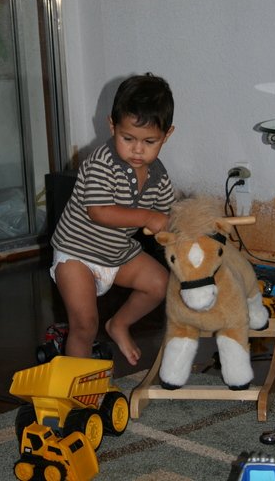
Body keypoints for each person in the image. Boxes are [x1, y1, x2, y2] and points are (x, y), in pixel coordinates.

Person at [50, 74, 175, 366]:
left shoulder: (158, 175)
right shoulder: (101, 162)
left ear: (167, 135)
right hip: (77, 253)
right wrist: (148, 217)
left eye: (150, 141)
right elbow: (100, 212)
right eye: (127, 138)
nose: (138, 150)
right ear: (112, 126)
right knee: (84, 324)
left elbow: (166, 216)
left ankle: (119, 324)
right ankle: (79, 382)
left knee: (159, 283)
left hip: (116, 252)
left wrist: (181, 228)